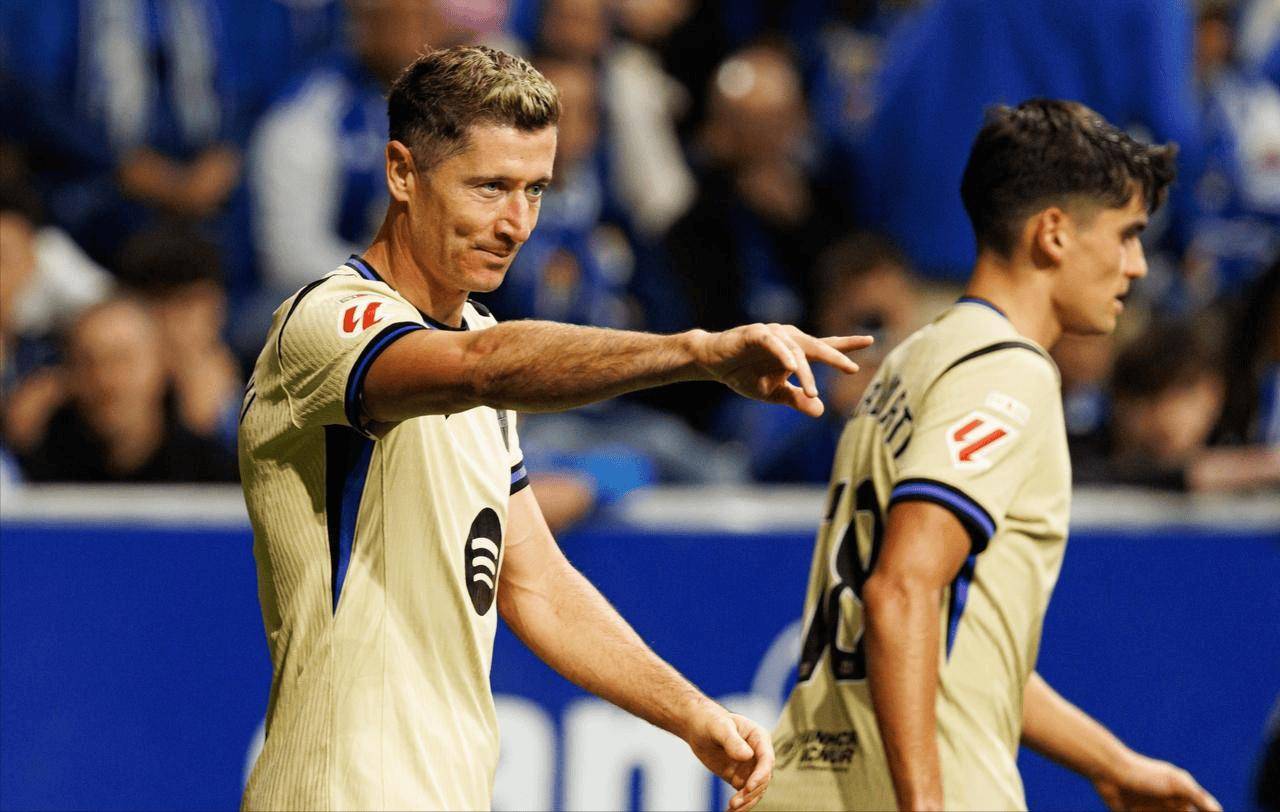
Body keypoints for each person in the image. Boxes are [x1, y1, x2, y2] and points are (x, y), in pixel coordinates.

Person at [238, 45, 872, 810]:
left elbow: (536, 584)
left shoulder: (477, 340)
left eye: (535, 189)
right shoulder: (325, 325)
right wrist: (697, 354)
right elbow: (483, 367)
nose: (516, 224)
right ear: (402, 172)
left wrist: (693, 716)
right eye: (490, 187)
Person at [762, 99, 1220, 811]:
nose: (1136, 266)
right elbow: (902, 590)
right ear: (1054, 234)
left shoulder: (915, 361)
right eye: (1127, 235)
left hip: (805, 787)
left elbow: (959, 640)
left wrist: (1112, 764)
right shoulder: (1009, 373)